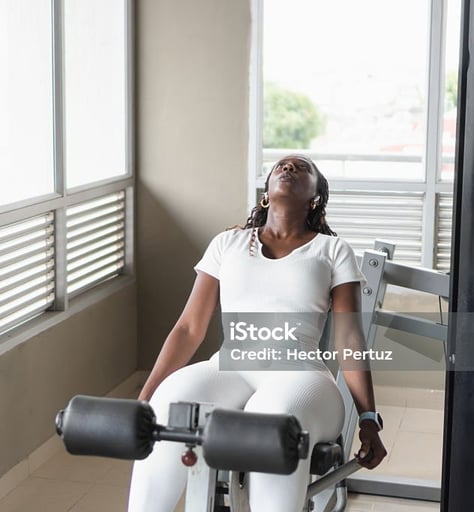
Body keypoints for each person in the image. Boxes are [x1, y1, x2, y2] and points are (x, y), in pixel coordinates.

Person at [127, 154, 387, 511]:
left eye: (302, 167)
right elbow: (189, 328)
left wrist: (369, 419)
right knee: (171, 403)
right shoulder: (227, 244)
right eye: (281, 165)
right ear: (265, 192)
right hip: (229, 367)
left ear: (315, 198)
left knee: (272, 420)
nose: (289, 168)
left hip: (302, 376)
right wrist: (146, 397)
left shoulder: (332, 250)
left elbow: (349, 339)